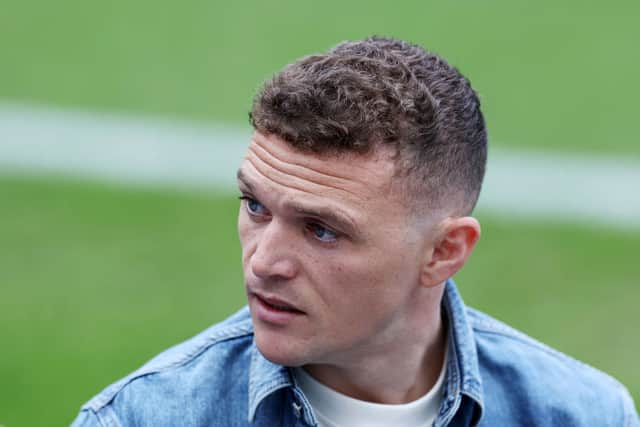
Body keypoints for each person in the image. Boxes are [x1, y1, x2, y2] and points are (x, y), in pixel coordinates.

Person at [71, 36, 639, 427]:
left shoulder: (581, 413)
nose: (265, 262)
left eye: (321, 231)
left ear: (444, 251)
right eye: (255, 206)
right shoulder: (143, 416)